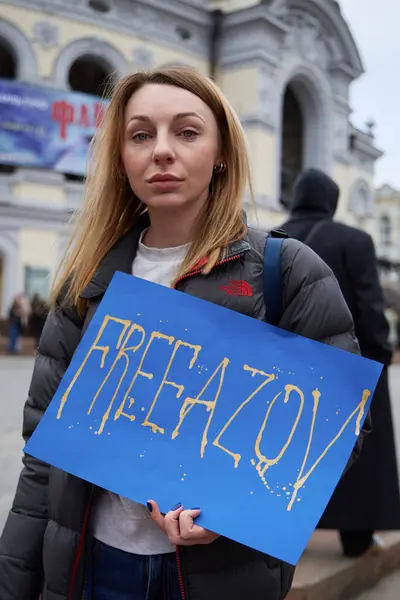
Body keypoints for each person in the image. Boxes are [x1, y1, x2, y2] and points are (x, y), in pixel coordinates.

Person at [0, 68, 367, 600]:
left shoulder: (286, 271)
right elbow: (44, 459)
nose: (162, 151)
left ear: (221, 152)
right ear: (121, 157)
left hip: (220, 576)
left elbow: (341, 429)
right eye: (141, 134)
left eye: (187, 132)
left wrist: (236, 510)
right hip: (93, 568)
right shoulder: (88, 282)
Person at [281, 167, 400, 558]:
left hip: (287, 365)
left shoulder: (271, 237)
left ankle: (285, 534)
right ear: (330, 201)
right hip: (348, 362)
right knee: (358, 452)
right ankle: (357, 537)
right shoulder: (354, 240)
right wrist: (380, 353)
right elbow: (369, 305)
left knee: (287, 448)